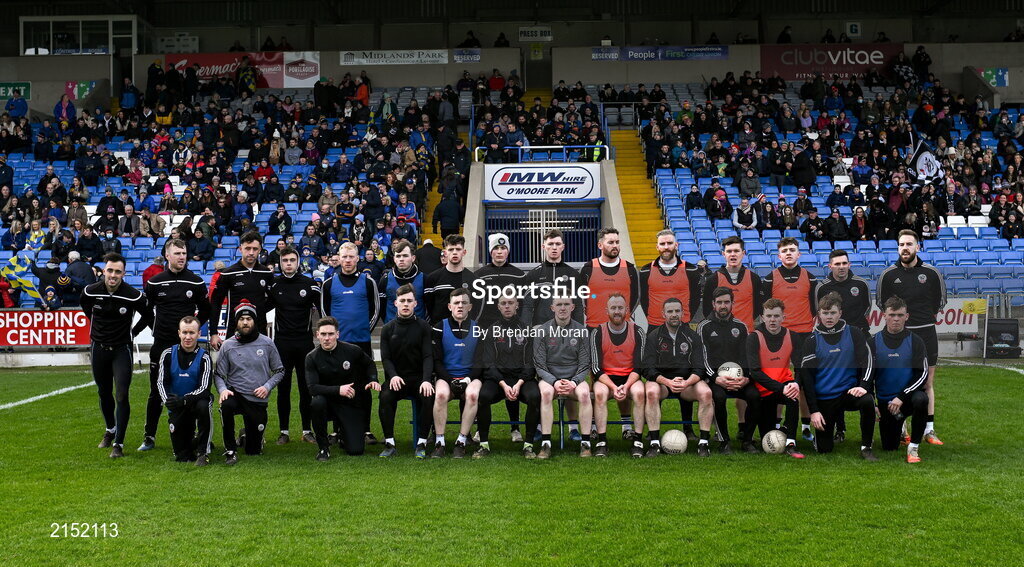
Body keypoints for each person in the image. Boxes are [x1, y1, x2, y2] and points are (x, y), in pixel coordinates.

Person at [138, 239, 210, 452]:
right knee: (156, 391)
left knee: (194, 389)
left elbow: (206, 310)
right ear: (167, 256)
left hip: (187, 347)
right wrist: (155, 328)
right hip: (162, 344)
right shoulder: (155, 282)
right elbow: (146, 311)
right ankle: (149, 436)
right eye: (177, 253)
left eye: (184, 253)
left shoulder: (195, 282)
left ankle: (198, 432)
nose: (181, 257)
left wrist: (193, 330)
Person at [876, 229, 946, 445]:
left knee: (927, 383)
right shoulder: (888, 275)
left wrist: (922, 317)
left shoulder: (932, 273)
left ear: (918, 247)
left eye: (908, 244)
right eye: (901, 245)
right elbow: (882, 303)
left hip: (925, 332)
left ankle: (929, 430)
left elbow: (939, 302)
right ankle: (902, 429)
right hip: (899, 336)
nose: (904, 248)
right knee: (899, 381)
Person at [80, 253, 152, 458]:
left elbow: (149, 316)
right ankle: (110, 429)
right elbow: (87, 309)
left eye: (117, 272)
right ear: (104, 270)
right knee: (104, 392)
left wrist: (133, 332)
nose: (113, 275)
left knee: (121, 394)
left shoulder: (132, 295)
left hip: (122, 350)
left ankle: (118, 444)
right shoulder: (90, 291)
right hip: (98, 349)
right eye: (110, 270)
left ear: (124, 273)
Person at [638, 229, 702, 440]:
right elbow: (644, 300)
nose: (666, 247)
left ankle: (688, 428)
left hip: (683, 328)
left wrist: (686, 319)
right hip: (655, 329)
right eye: (662, 244)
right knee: (655, 378)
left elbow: (694, 298)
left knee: (684, 376)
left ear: (676, 245)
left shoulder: (691, 269)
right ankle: (652, 430)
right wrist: (654, 319)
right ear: (657, 247)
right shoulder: (646, 271)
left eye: (669, 243)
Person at [800, 292, 877, 460]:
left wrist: (863, 386)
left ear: (840, 313)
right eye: (825, 313)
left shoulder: (854, 333)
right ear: (819, 314)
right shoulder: (811, 341)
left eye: (833, 312)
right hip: (825, 398)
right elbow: (807, 379)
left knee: (867, 400)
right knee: (824, 450)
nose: (829, 317)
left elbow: (868, 361)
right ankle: (822, 438)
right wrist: (814, 411)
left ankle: (866, 447)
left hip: (847, 393)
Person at [321, 241, 381, 445]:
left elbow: (375, 310)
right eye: (344, 257)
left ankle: (366, 430)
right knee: (337, 387)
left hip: (361, 343)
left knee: (364, 386)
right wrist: (333, 337)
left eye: (351, 257)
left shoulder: (367, 282)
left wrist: (365, 329)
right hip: (337, 346)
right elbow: (324, 314)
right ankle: (337, 430)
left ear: (357, 258)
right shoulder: (329, 283)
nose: (347, 261)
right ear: (338, 258)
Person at [642, 297, 715, 458]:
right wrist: (667, 381)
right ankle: (654, 443)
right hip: (663, 383)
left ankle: (703, 443)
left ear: (683, 313)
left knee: (706, 393)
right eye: (670, 311)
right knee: (651, 391)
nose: (674, 314)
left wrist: (687, 382)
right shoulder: (654, 337)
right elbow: (647, 368)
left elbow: (700, 367)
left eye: (677, 311)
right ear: (663, 314)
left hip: (687, 384)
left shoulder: (692, 336)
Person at [214, 301, 285, 465]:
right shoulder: (228, 345)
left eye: (249, 319)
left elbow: (280, 371)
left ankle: (247, 436)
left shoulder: (267, 343)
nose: (245, 322)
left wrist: (267, 387)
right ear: (236, 322)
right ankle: (230, 449)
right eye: (241, 319)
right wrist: (223, 390)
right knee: (227, 405)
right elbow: (218, 374)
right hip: (236, 393)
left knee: (254, 452)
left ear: (254, 321)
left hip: (257, 398)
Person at [472, 232, 527, 441]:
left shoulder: (519, 275)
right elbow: (476, 307)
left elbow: (523, 306)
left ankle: (515, 428)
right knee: (484, 377)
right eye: (496, 248)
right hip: (486, 333)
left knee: (511, 374)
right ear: (490, 251)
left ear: (508, 250)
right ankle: (479, 426)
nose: (499, 252)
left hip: (513, 333)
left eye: (503, 248)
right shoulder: (480, 275)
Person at [763, 237, 818, 440]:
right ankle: (777, 424)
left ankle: (805, 424)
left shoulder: (810, 278)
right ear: (779, 255)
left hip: (804, 334)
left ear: (798, 254)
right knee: (779, 379)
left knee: (803, 380)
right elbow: (766, 307)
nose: (788, 253)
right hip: (780, 336)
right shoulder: (770, 278)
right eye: (784, 250)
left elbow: (814, 306)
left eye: (792, 250)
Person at [474, 292, 541, 458]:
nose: (507, 306)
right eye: (503, 303)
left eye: (510, 303)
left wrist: (518, 383)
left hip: (522, 380)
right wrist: (503, 384)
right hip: (498, 380)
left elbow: (531, 363)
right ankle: (483, 445)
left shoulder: (526, 330)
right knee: (483, 396)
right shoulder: (491, 331)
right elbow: (488, 363)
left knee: (534, 396)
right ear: (498, 306)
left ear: (517, 305)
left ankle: (529, 445)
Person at [306, 316, 381, 461]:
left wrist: (373, 380)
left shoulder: (352, 350)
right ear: (317, 335)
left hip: (349, 402)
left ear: (337, 335)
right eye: (323, 334)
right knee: (317, 403)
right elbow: (312, 388)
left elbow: (369, 364)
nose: (327, 338)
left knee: (356, 450)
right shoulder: (312, 357)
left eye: (330, 334)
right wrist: (338, 389)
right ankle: (323, 447)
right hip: (326, 403)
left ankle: (343, 435)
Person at [269, 246, 322, 445]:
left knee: (305, 388)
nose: (289, 263)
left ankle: (307, 430)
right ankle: (284, 432)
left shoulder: (309, 284)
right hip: (282, 343)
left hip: (305, 343)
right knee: (283, 388)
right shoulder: (274, 285)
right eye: (285, 260)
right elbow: (261, 306)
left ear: (298, 262)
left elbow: (324, 311)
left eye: (292, 260)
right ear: (280, 263)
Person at [697, 286, 759, 454]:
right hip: (715, 378)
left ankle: (747, 440)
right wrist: (716, 378)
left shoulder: (741, 327)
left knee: (754, 395)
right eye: (719, 302)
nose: (723, 306)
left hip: (738, 377)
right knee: (719, 397)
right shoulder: (704, 327)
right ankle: (724, 441)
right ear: (713, 304)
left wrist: (745, 377)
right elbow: (703, 358)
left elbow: (746, 357)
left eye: (726, 302)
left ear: (732, 303)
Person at [378, 284, 435, 458]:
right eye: (402, 301)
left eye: (409, 301)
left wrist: (426, 379)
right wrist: (393, 376)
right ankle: (390, 443)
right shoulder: (387, 329)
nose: (405, 304)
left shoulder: (424, 327)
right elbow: (386, 358)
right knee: (385, 396)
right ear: (395, 303)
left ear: (415, 304)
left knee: (428, 395)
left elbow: (428, 356)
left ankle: (422, 443)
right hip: (397, 379)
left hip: (418, 378)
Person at [871, 296, 929, 463]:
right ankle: (901, 426)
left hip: (907, 399)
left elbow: (922, 374)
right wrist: (874, 403)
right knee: (889, 447)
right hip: (886, 403)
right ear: (884, 315)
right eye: (892, 315)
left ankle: (914, 448)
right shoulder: (873, 342)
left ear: (907, 316)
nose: (896, 319)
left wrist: (901, 397)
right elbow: (866, 376)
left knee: (921, 399)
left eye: (900, 315)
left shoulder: (916, 341)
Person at [534, 296, 593, 458]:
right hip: (549, 378)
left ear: (573, 307)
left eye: (566, 304)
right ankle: (546, 443)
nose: (563, 308)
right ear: (552, 308)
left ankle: (585, 443)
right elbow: (539, 365)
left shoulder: (581, 331)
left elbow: (584, 363)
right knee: (545, 393)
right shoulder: (542, 331)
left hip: (574, 378)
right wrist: (554, 382)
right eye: (559, 304)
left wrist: (574, 382)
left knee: (585, 394)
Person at [745, 299, 805, 458]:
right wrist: (781, 388)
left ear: (783, 317)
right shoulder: (754, 337)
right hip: (761, 386)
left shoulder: (793, 337)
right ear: (762, 317)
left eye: (776, 316)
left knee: (793, 398)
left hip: (782, 384)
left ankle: (791, 443)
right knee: (767, 433)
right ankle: (747, 440)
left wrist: (796, 384)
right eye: (769, 316)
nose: (773, 319)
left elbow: (800, 366)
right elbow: (755, 372)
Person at [590, 293, 647, 458]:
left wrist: (626, 386)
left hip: (630, 377)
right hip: (606, 378)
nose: (617, 311)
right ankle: (602, 441)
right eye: (613, 308)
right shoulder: (597, 332)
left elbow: (638, 367)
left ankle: (637, 440)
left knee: (639, 393)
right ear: (606, 310)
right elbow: (596, 368)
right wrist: (614, 387)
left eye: (620, 308)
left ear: (627, 310)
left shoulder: (637, 331)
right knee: (599, 394)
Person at [430, 288, 483, 458]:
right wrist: (449, 380)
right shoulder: (439, 328)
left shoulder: (478, 329)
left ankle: (461, 441)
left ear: (470, 306)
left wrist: (467, 380)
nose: (460, 306)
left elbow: (480, 362)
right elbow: (436, 361)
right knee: (440, 395)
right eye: (456, 303)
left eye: (464, 303)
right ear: (449, 306)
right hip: (446, 376)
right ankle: (439, 442)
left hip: (471, 376)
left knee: (473, 395)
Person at [156, 316, 214, 466]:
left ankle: (203, 451)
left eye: (192, 333)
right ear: (179, 333)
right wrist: (168, 401)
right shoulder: (167, 354)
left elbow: (204, 388)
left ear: (199, 333)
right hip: (176, 404)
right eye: (185, 332)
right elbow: (161, 382)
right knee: (182, 456)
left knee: (204, 405)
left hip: (195, 402)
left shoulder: (205, 357)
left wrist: (185, 399)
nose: (188, 337)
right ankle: (193, 442)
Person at [208, 231, 273, 351]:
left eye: (255, 249)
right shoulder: (228, 273)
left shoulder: (266, 273)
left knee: (260, 367)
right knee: (233, 368)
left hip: (260, 330)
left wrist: (260, 309)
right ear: (240, 249)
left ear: (260, 250)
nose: (251, 253)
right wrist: (213, 333)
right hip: (234, 330)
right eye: (247, 248)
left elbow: (273, 300)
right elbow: (216, 303)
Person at [579, 227, 639, 329]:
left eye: (617, 242)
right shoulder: (588, 269)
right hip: (594, 327)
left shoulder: (630, 269)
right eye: (611, 242)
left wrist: (626, 314)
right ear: (600, 245)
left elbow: (636, 297)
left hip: (622, 328)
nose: (615, 246)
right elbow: (580, 297)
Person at [701, 236, 764, 332]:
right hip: (720, 334)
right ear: (723, 254)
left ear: (743, 253)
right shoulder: (713, 280)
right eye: (729, 251)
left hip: (746, 334)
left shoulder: (754, 278)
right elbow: (707, 309)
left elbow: (758, 308)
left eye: (736, 251)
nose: (733, 254)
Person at [424, 234, 477, 323]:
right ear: (445, 253)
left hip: (465, 331)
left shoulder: (473, 280)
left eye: (458, 249)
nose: (455, 252)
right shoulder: (432, 279)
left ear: (464, 252)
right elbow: (429, 306)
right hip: (440, 332)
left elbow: (476, 308)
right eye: (451, 249)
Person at [379, 239, 426, 322]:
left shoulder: (424, 279)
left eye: (405, 256)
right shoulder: (385, 280)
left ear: (413, 258)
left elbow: (430, 306)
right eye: (398, 256)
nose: (401, 259)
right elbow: (381, 307)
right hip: (393, 330)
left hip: (418, 330)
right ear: (394, 259)